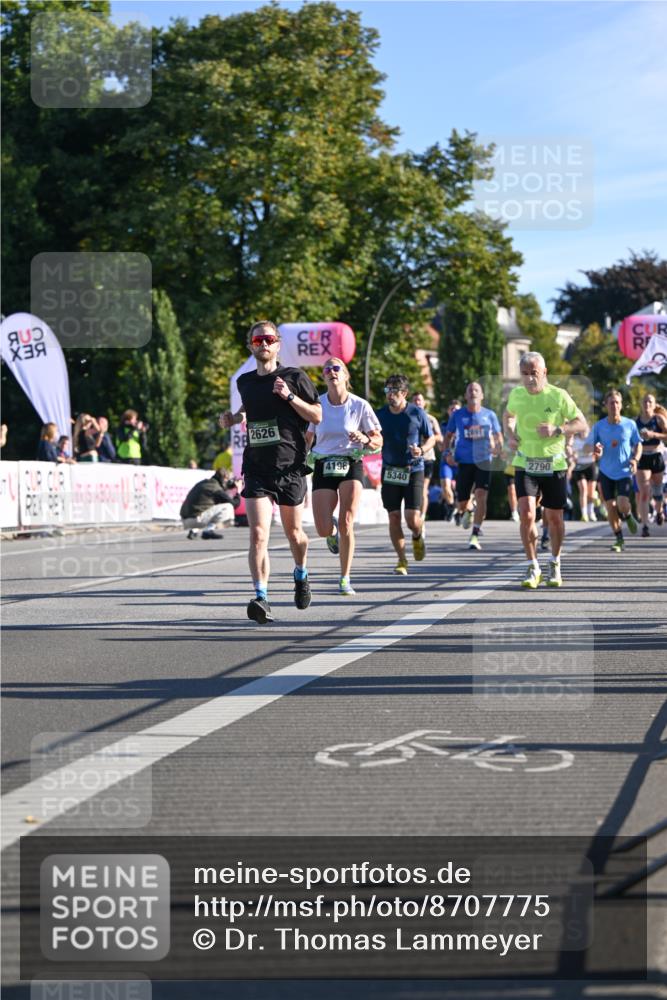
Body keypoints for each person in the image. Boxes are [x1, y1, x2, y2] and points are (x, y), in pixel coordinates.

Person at [221, 320, 322, 624]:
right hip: (256, 468)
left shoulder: (294, 376)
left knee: (294, 534)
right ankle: (261, 597)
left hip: (290, 466)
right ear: (251, 346)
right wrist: (233, 417)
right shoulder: (245, 382)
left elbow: (317, 413)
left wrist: (290, 397)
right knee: (258, 534)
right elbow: (248, 411)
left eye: (268, 339)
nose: (263, 344)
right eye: (257, 340)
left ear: (278, 344)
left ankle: (301, 573)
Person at [503, 352, 587, 588]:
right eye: (525, 374)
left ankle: (555, 562)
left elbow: (582, 423)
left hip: (554, 465)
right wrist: (510, 433)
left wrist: (557, 430)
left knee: (554, 518)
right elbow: (508, 415)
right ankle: (532, 566)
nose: (529, 379)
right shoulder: (517, 394)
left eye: (534, 374)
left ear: (545, 373)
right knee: (527, 513)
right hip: (525, 462)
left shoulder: (559, 396)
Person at [305, 358, 382, 595]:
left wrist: (366, 439)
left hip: (351, 463)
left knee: (348, 520)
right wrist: (298, 457)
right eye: (327, 369)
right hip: (323, 464)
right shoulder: (317, 405)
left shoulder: (360, 406)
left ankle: (344, 578)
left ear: (345, 375)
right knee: (321, 528)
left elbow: (379, 440)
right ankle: (332, 532)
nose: (331, 372)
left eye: (336, 368)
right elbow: (308, 438)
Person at [375, 373, 435, 575]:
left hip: (413, 469)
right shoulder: (380, 415)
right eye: (387, 390)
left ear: (405, 393)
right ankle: (402, 560)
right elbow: (372, 437)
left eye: (394, 391)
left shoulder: (417, 413)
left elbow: (431, 438)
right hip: (390, 470)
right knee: (393, 516)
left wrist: (423, 450)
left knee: (411, 518)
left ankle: (418, 534)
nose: (390, 395)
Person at [442, 382, 503, 550]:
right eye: (470, 390)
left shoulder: (490, 415)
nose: (473, 392)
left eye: (476, 390)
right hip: (464, 461)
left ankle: (475, 534)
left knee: (482, 494)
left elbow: (498, 436)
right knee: (462, 502)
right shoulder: (458, 415)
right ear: (466, 396)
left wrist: (498, 448)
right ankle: (467, 510)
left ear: (482, 395)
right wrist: (447, 453)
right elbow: (448, 436)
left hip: (484, 460)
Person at [593, 389, 641, 552]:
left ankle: (627, 515)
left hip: (624, 471)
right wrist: (596, 451)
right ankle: (619, 539)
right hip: (605, 471)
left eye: (617, 402)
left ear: (621, 405)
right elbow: (592, 446)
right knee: (610, 507)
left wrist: (635, 459)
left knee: (622, 503)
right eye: (611, 402)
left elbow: (638, 443)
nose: (614, 405)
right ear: (605, 405)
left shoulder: (630, 424)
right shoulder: (599, 426)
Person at [635, 393, 667, 536]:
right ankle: (645, 525)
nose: (647, 404)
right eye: (645, 401)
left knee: (658, 491)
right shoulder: (636, 421)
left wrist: (654, 435)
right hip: (642, 457)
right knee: (644, 492)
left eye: (650, 402)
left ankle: (659, 511)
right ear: (641, 404)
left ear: (654, 405)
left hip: (656, 456)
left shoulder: (659, 419)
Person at [411, 392, 443, 530]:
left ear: (424, 403)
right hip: (411, 458)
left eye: (420, 400)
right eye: (415, 400)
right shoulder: (408, 418)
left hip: (427, 457)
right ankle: (414, 513)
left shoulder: (430, 419)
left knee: (423, 488)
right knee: (412, 489)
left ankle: (422, 516)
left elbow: (439, 437)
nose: (417, 402)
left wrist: (428, 438)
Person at [180, 469, 240, 539]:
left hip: (184, 519)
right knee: (228, 506)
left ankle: (194, 530)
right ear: (224, 478)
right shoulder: (216, 489)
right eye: (228, 480)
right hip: (195, 520)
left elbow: (221, 491)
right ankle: (208, 531)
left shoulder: (204, 483)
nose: (229, 482)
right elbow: (234, 504)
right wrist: (238, 490)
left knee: (210, 506)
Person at [571, 429, 598, 521]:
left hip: (590, 466)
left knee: (591, 492)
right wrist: (573, 456)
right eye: (581, 430)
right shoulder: (575, 440)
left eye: (585, 431)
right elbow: (571, 453)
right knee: (583, 490)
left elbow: (598, 453)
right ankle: (584, 514)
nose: (583, 432)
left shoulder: (592, 440)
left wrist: (592, 450)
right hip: (579, 467)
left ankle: (591, 512)